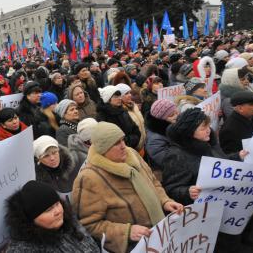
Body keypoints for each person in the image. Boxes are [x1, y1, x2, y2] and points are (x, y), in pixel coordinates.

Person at [72, 122, 183, 253]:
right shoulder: (89, 178)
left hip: (161, 236)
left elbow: (153, 182)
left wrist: (165, 201)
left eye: (122, 140)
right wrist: (126, 232)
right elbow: (88, 224)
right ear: (103, 149)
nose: (124, 146)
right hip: (135, 247)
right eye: (116, 143)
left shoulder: (132, 155)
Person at [162, 108, 247, 205]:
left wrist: (238, 156)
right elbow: (170, 188)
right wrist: (187, 192)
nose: (208, 131)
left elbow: (221, 163)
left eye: (208, 126)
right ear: (189, 132)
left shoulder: (208, 143)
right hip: (202, 209)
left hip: (222, 202)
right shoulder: (176, 155)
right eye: (203, 128)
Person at [5, 180, 100, 252]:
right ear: (31, 219)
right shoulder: (23, 249)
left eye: (57, 204)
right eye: (48, 210)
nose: (58, 211)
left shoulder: (69, 221)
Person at [96, 86, 141, 150]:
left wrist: (134, 139)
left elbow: (135, 128)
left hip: (133, 149)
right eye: (116, 97)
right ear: (108, 99)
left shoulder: (122, 110)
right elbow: (111, 141)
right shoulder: (102, 117)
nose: (120, 98)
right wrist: (130, 141)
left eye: (119, 96)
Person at [145, 99, 179, 180]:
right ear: (161, 119)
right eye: (171, 115)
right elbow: (168, 162)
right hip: (171, 175)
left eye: (176, 112)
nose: (177, 116)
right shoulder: (155, 140)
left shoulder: (173, 125)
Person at [116, 83, 146, 152]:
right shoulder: (121, 112)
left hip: (142, 146)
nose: (130, 95)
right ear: (120, 97)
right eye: (126, 94)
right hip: (133, 149)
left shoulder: (134, 105)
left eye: (129, 92)